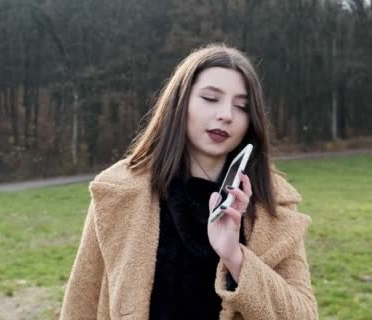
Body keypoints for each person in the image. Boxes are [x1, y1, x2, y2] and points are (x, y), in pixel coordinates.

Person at [59, 44, 318, 320]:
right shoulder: (119, 192)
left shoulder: (272, 203)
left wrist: (235, 258)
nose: (226, 115)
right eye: (210, 98)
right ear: (180, 102)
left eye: (241, 106)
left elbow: (303, 315)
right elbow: (81, 303)